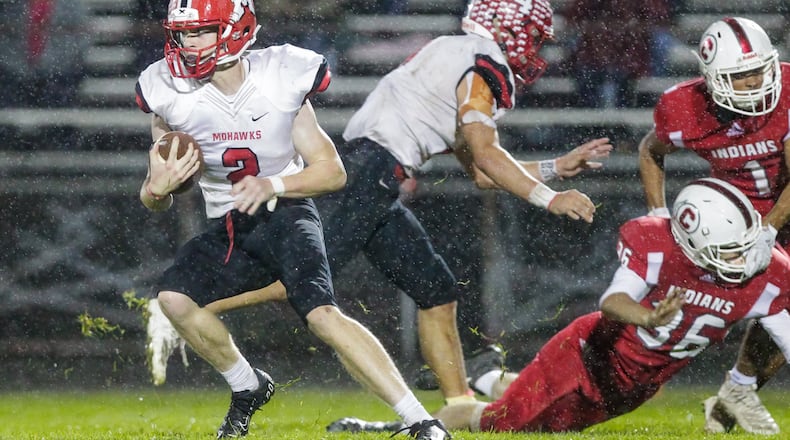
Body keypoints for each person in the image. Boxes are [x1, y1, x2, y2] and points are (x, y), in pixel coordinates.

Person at [145, 0, 613, 408]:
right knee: (305, 286)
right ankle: (189, 304)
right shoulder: (483, 64)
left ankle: (456, 402)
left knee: (436, 289)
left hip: (378, 172)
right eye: (531, 35)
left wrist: (553, 167)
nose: (533, 46)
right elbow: (487, 153)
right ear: (513, 29)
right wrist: (551, 199)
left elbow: (482, 171)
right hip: (371, 172)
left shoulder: (451, 51)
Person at [135, 1, 450, 438]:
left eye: (201, 31)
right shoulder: (166, 90)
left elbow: (332, 171)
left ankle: (420, 420)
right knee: (173, 300)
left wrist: (274, 186)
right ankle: (248, 386)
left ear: (235, 29)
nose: (187, 44)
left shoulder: (280, 75)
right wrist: (156, 190)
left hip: (286, 211)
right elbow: (156, 197)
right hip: (229, 221)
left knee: (322, 315)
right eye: (182, 33)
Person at [332, 178, 790, 434]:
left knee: (539, 424)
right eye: (730, 249)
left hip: (633, 386)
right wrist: (649, 316)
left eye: (744, 244)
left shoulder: (768, 274)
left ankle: (487, 375)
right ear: (692, 243)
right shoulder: (658, 248)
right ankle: (400, 429)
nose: (744, 257)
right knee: (499, 425)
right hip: (587, 355)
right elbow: (612, 301)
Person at [638, 17, 789, 434]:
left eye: (760, 69)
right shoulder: (681, 107)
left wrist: (770, 228)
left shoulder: (789, 90)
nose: (756, 82)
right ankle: (737, 391)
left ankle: (738, 391)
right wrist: (657, 213)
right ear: (713, 79)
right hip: (737, 221)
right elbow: (651, 150)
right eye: (741, 76)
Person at [564, 0, 672, 108]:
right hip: (594, 53)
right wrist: (601, 28)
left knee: (659, 42)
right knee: (589, 79)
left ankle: (646, 101)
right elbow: (574, 21)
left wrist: (627, 28)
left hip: (630, 52)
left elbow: (657, 20)